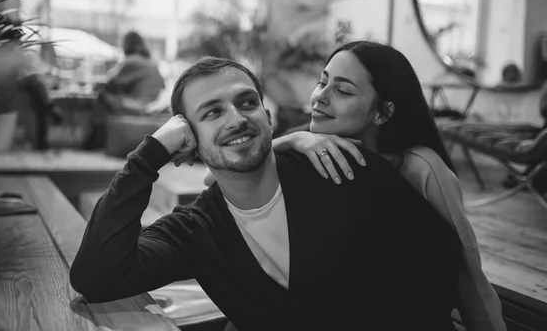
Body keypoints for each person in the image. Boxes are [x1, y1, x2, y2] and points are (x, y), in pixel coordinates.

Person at [70, 57, 463, 330]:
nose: (236, 118)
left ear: (268, 117)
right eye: (212, 112)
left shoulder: (341, 168)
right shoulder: (196, 231)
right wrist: (148, 157)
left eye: (246, 103)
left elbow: (440, 260)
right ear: (187, 142)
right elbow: (97, 277)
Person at [200, 40, 502, 331]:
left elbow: (468, 273)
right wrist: (294, 139)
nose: (321, 96)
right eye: (322, 82)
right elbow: (213, 180)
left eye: (343, 90)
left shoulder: (421, 167)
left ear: (382, 112)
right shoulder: (309, 149)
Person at [84, 31, 165, 149]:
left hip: (137, 106)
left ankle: (94, 139)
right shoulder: (152, 63)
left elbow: (108, 82)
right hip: (152, 105)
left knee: (102, 96)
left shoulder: (132, 61)